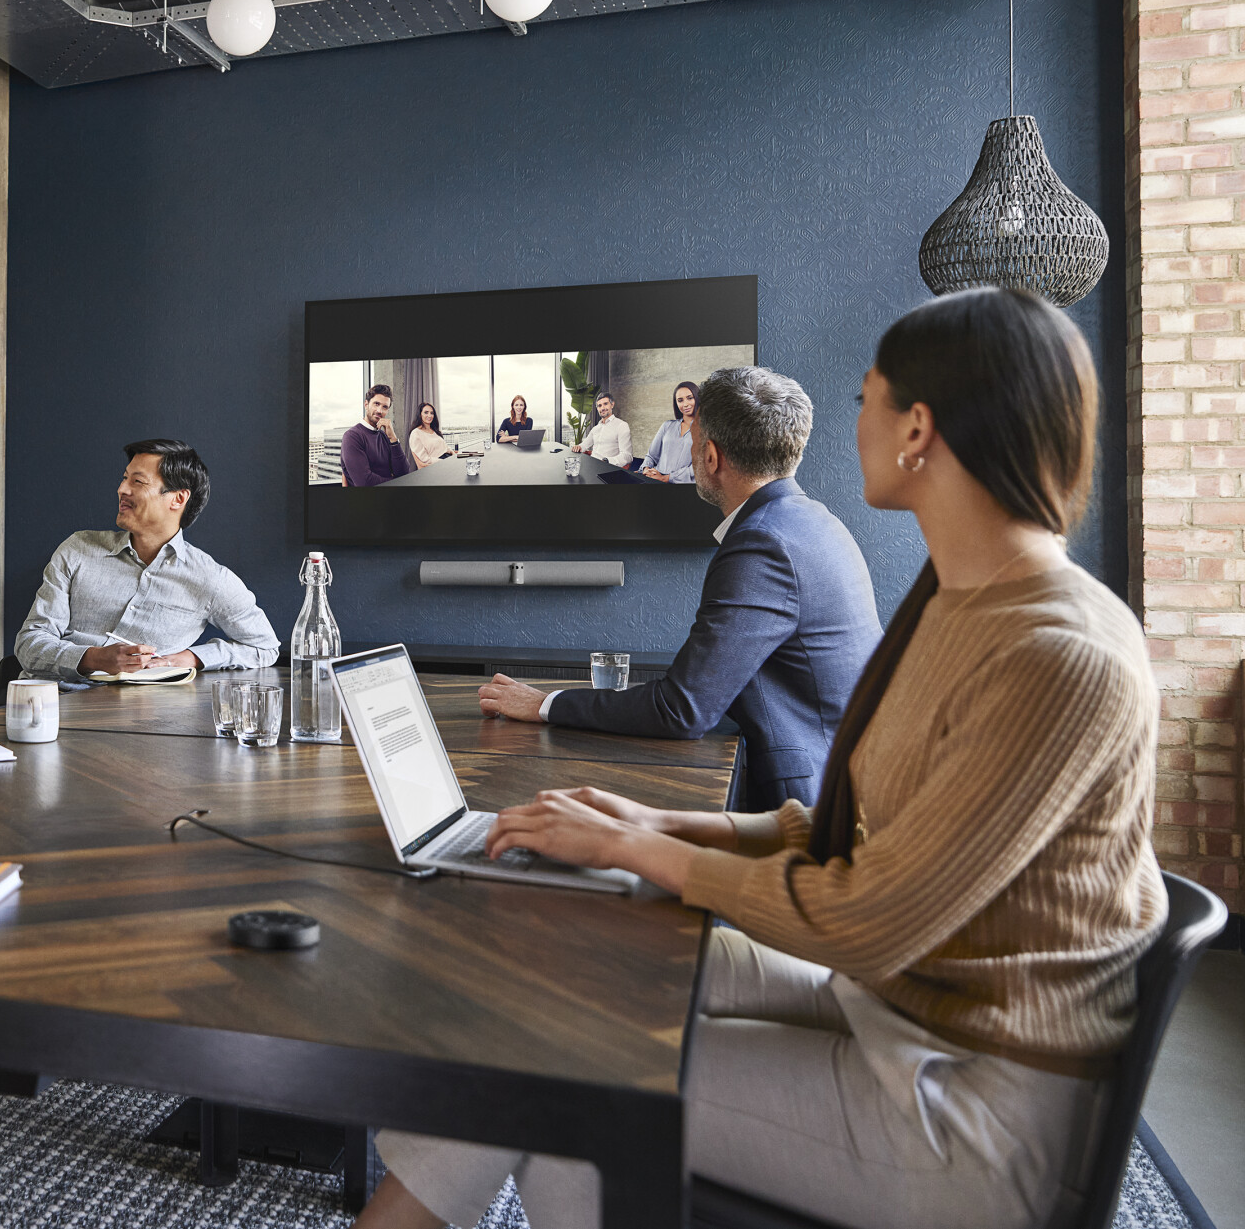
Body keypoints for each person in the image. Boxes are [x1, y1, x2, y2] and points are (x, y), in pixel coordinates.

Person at [369, 288, 1159, 1229]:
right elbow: (853, 832)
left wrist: (639, 852)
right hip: (900, 1008)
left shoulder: (1056, 650)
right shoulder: (961, 603)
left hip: (968, 1102)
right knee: (557, 977)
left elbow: (866, 917)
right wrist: (654, 820)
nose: (846, 418)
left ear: (918, 428)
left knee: (562, 1064)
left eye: (865, 396)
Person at [479, 367, 879, 809]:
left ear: (710, 456)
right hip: (839, 783)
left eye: (692, 444)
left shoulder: (761, 545)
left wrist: (544, 704)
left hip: (799, 810)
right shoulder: (817, 521)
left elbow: (681, 709)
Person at [15, 439, 278, 680]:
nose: (121, 489)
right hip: (48, 702)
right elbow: (29, 643)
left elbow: (265, 647)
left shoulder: (210, 579)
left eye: (137, 482)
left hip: (139, 717)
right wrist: (93, 657)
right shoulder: (78, 549)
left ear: (178, 498)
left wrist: (191, 658)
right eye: (124, 478)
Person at [340, 382, 412, 486]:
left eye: (385, 407)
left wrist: (393, 438)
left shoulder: (384, 435)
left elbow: (404, 473)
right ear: (366, 404)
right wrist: (398, 481)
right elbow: (365, 483)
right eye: (376, 404)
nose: (379, 411)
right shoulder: (352, 436)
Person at [639, 380, 700, 482]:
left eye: (690, 398)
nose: (685, 404)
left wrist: (666, 478)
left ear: (697, 398)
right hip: (656, 479)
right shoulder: (667, 425)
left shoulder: (706, 430)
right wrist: (646, 470)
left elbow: (699, 467)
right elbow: (651, 456)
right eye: (680, 400)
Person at [572, 392, 631, 464]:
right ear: (597, 409)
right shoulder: (595, 428)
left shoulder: (622, 425)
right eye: (599, 406)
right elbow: (584, 445)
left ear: (612, 405)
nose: (602, 408)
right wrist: (578, 447)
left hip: (607, 467)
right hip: (592, 464)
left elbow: (627, 456)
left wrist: (607, 461)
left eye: (605, 404)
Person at [408, 402, 450, 469]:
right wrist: (445, 462)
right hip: (436, 465)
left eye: (432, 413)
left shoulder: (434, 430)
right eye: (426, 412)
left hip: (447, 458)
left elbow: (446, 448)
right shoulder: (415, 433)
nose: (429, 415)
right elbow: (425, 459)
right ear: (420, 414)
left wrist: (454, 455)